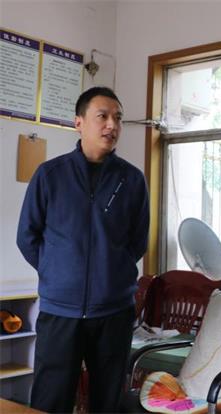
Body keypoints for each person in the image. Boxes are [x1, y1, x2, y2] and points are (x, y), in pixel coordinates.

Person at [16, 86, 150, 412]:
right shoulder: (50, 175)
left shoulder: (132, 180)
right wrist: (57, 272)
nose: (112, 125)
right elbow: (27, 237)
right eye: (102, 116)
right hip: (60, 311)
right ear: (79, 122)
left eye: (118, 118)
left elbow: (137, 242)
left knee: (108, 403)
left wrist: (111, 272)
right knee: (50, 402)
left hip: (114, 313)